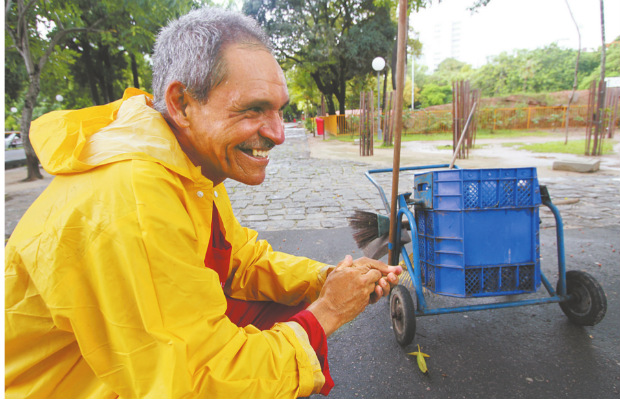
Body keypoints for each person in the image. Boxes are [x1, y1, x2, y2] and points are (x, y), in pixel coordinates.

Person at [4, 7, 401, 399]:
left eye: (278, 110)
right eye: (253, 109)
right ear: (181, 103)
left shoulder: (186, 165)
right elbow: (196, 383)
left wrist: (327, 278)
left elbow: (237, 258)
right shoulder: (132, 201)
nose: (278, 134)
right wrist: (329, 310)